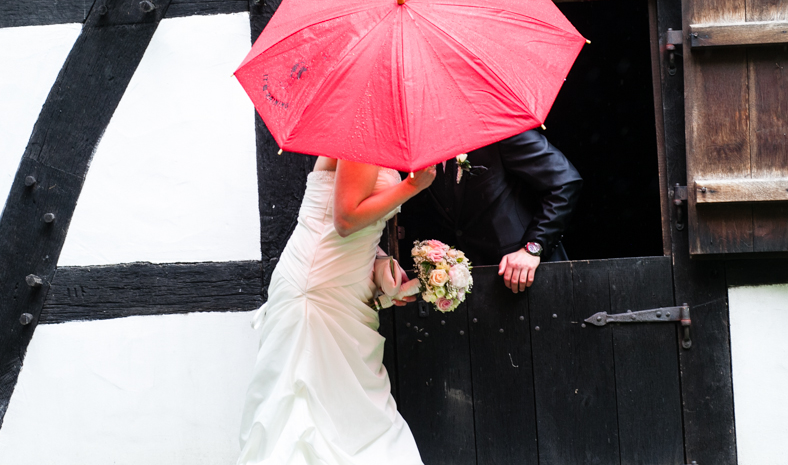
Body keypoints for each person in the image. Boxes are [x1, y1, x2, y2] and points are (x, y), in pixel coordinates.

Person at [237, 157, 436, 465]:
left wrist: (382, 267)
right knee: (304, 413)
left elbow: (361, 226)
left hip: (348, 289)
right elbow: (344, 220)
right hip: (318, 289)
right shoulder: (363, 126)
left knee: (354, 415)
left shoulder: (377, 132)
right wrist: (412, 186)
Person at [400, 129, 582, 293]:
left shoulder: (501, 130)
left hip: (526, 277)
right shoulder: (417, 149)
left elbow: (565, 181)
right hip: (467, 290)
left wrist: (532, 248)